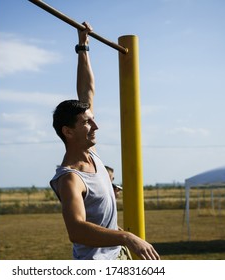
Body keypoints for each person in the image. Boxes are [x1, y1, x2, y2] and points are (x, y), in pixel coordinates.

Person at [50, 22, 160, 260]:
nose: (95, 126)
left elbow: (86, 92)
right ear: (68, 132)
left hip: (116, 255)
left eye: (93, 120)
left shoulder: (93, 156)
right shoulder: (70, 178)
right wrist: (127, 237)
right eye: (87, 123)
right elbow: (76, 230)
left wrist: (83, 48)